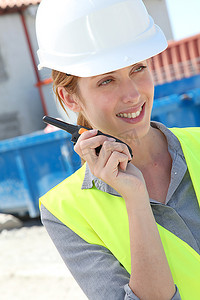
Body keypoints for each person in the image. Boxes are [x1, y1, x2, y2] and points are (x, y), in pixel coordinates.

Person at [36, 0, 200, 299]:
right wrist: (135, 198)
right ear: (69, 99)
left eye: (138, 68)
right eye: (107, 80)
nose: (133, 94)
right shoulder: (65, 211)